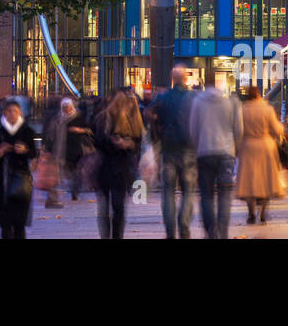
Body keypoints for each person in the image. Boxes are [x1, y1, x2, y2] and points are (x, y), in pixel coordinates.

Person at [148, 64, 196, 238]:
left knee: (168, 192)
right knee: (188, 190)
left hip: (168, 150)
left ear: (172, 79)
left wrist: (157, 129)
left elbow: (149, 112)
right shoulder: (192, 97)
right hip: (188, 149)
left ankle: (170, 231)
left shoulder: (164, 97)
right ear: (185, 79)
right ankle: (184, 224)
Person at [189, 80, 242, 238]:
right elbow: (239, 129)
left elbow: (193, 129)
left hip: (204, 153)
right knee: (225, 194)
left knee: (206, 194)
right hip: (226, 153)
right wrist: (235, 149)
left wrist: (196, 147)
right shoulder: (232, 103)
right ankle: (223, 232)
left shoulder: (197, 102)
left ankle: (211, 231)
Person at [93, 90, 144, 239]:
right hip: (105, 167)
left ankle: (116, 235)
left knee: (118, 207)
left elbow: (137, 143)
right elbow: (97, 141)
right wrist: (114, 143)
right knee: (105, 208)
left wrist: (128, 145)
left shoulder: (133, 120)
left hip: (122, 169)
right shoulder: (104, 118)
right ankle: (106, 236)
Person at [237, 84, 286, 224]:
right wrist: (282, 126)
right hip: (265, 147)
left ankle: (251, 213)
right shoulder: (267, 109)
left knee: (249, 183)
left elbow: (237, 130)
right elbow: (277, 129)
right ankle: (263, 213)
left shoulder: (242, 110)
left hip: (247, 147)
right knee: (266, 181)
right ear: (258, 94)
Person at [0, 98, 36, 238]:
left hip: (22, 180)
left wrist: (24, 151)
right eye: (9, 111)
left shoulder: (27, 131)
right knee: (5, 223)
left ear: (20, 112)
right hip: (2, 180)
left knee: (20, 223)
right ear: (4, 112)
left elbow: (33, 153)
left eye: (15, 111)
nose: (12, 114)